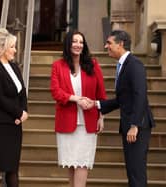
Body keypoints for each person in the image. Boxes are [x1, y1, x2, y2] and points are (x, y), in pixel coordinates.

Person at [94, 30, 155, 187]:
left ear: (120, 44)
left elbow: (140, 95)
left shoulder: (134, 65)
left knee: (136, 172)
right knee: (132, 171)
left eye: (109, 43)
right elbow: (124, 99)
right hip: (130, 125)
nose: (106, 46)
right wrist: (97, 105)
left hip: (137, 127)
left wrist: (135, 125)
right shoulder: (123, 65)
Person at [50, 30, 107, 187]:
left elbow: (101, 93)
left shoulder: (93, 65)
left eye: (81, 42)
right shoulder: (58, 66)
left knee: (82, 162)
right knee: (71, 163)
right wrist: (76, 99)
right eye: (75, 41)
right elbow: (56, 91)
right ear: (68, 44)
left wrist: (101, 116)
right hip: (66, 121)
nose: (78, 45)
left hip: (88, 122)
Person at [0, 28, 28, 187]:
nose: (15, 50)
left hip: (14, 125)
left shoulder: (15, 67)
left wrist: (23, 112)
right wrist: (17, 112)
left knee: (12, 168)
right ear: (1, 48)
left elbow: (22, 92)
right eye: (12, 47)